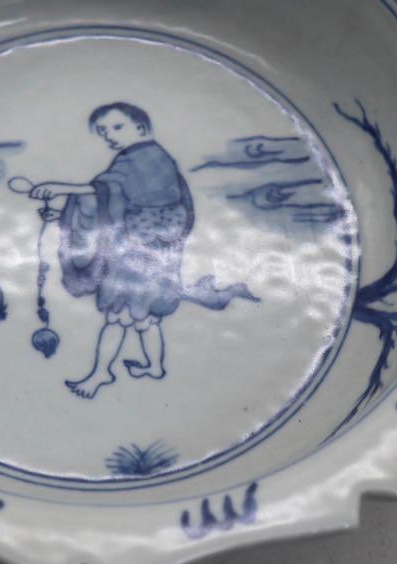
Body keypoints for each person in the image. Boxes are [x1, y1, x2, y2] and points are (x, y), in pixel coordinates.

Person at [30, 102, 256, 398]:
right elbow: (112, 201)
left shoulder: (145, 158)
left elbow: (105, 192)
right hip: (153, 249)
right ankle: (155, 367)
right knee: (146, 316)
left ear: (140, 128)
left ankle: (101, 374)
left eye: (117, 127)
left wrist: (60, 188)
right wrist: (64, 216)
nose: (109, 135)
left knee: (118, 315)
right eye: (103, 131)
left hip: (139, 252)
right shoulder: (143, 158)